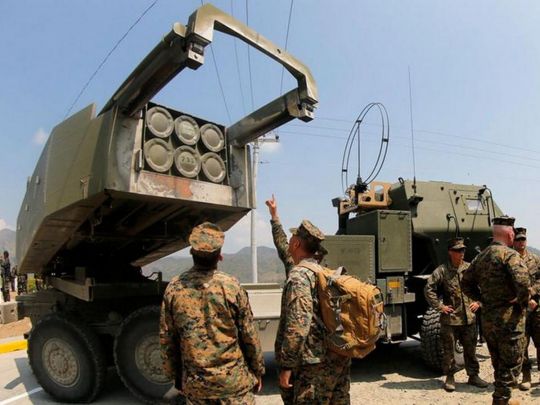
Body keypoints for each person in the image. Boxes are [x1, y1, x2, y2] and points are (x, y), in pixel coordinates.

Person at [159, 222, 264, 405]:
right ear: (219, 256)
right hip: (233, 385)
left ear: (192, 252)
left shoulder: (174, 289)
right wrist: (258, 370)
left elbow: (167, 338)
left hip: (196, 387)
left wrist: (175, 377)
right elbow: (249, 335)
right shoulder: (231, 286)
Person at [275, 219, 350, 405]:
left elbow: (298, 325)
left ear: (296, 243)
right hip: (337, 355)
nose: (289, 243)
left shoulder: (299, 277)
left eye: (291, 239)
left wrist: (287, 365)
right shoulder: (325, 272)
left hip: (314, 364)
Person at [462, 216, 530, 405]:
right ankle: (501, 400)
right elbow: (523, 283)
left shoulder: (481, 257)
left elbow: (465, 283)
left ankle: (504, 398)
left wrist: (482, 299)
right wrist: (521, 302)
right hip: (509, 322)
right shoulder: (509, 255)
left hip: (488, 321)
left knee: (499, 363)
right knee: (510, 366)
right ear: (509, 233)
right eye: (513, 232)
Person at [424, 237, 488, 392]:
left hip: (469, 319)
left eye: (463, 250)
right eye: (458, 250)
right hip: (451, 320)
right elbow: (429, 288)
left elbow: (484, 286)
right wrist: (440, 306)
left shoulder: (470, 269)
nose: (461, 253)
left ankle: (473, 376)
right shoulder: (442, 270)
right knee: (449, 351)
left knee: (470, 350)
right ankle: (450, 377)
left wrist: (478, 302)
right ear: (450, 252)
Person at [512, 227, 540, 391]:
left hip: (536, 307)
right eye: (518, 239)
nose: (521, 242)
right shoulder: (510, 260)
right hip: (518, 309)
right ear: (513, 241)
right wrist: (522, 299)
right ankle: (526, 376)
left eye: (523, 239)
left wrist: (532, 294)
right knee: (522, 345)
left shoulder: (535, 259)